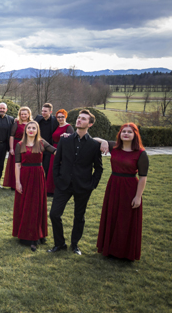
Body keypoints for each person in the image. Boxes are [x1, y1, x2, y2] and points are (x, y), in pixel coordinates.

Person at [48, 109, 103, 255]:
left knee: (79, 217)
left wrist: (92, 185)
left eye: (84, 119)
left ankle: (74, 245)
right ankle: (59, 244)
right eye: (79, 118)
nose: (79, 120)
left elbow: (99, 168)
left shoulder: (94, 145)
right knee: (54, 214)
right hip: (63, 184)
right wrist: (57, 180)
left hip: (83, 186)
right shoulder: (64, 140)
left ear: (90, 124)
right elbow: (56, 162)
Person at [95, 123, 148, 261]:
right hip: (114, 185)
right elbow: (94, 138)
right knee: (112, 215)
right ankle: (110, 249)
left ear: (135, 135)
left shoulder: (141, 153)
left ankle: (124, 252)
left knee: (125, 219)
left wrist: (138, 197)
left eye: (129, 132)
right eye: (123, 131)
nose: (126, 134)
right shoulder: (114, 147)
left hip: (130, 188)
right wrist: (105, 141)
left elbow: (143, 177)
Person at [13, 121, 57, 251]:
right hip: (24, 177)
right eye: (29, 128)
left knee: (36, 205)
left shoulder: (42, 143)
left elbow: (56, 152)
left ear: (37, 130)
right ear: (25, 130)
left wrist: (66, 139)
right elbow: (17, 165)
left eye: (34, 128)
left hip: (38, 177)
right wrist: (17, 182)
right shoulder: (20, 145)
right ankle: (25, 235)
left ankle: (37, 235)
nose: (31, 130)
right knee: (25, 204)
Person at [45, 109, 74, 196]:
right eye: (58, 117)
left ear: (65, 117)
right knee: (52, 170)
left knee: (60, 170)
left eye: (62, 117)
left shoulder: (68, 127)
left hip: (62, 150)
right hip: (54, 149)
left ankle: (58, 190)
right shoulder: (57, 126)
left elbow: (72, 140)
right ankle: (50, 190)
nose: (60, 118)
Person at [3, 107, 32, 190]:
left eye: (25, 114)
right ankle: (14, 184)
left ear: (28, 114)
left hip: (27, 145)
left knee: (25, 164)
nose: (23, 115)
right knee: (16, 164)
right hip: (17, 145)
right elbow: (11, 136)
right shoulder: (16, 123)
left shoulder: (31, 123)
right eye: (21, 114)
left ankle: (25, 182)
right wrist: (11, 148)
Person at [35, 103, 59, 177]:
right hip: (38, 147)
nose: (43, 113)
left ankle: (44, 186)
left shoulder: (55, 120)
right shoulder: (38, 118)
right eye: (42, 111)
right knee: (36, 168)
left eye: (45, 111)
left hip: (49, 148)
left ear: (50, 112)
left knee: (46, 168)